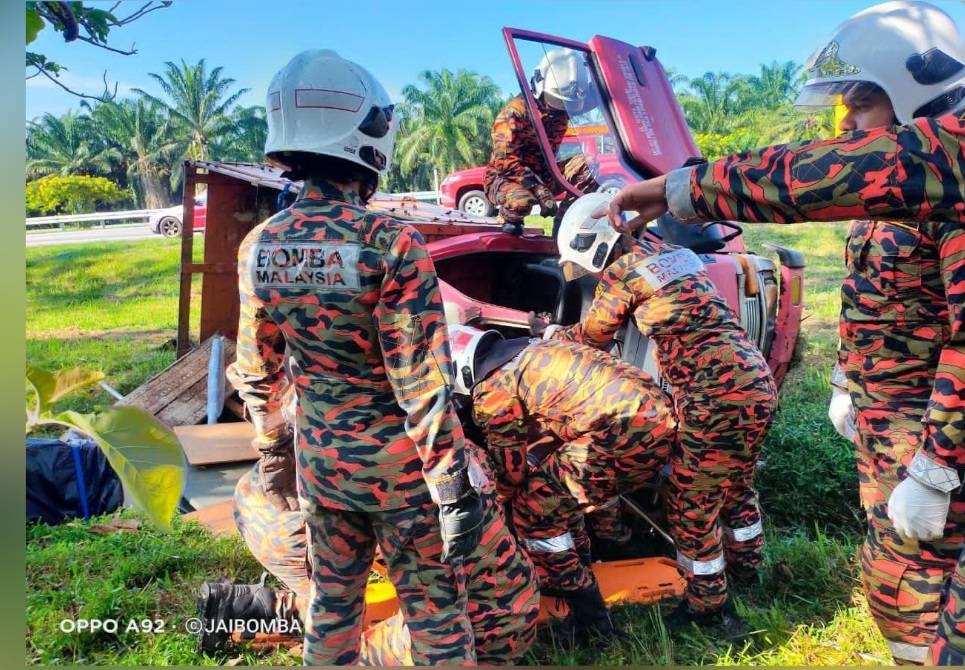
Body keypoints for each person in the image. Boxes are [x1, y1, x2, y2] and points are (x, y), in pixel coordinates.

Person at [601, 2, 965, 663]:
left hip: (933, 435)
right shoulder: (903, 197)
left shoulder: (963, 195)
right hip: (884, 426)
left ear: (914, 94)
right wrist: (845, 379)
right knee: (892, 574)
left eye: (860, 107)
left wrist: (937, 468)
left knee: (928, 589)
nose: (845, 125)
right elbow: (866, 291)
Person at [224, 49, 485, 666]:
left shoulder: (260, 245)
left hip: (320, 467)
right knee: (437, 617)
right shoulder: (389, 242)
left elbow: (257, 370)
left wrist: (274, 451)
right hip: (402, 475)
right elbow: (420, 380)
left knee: (332, 608)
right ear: (367, 135)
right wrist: (453, 487)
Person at [541, 191, 776, 632]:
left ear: (592, 244)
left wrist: (551, 334)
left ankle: (710, 610)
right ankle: (747, 569)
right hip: (754, 381)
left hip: (715, 395)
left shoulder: (624, 274)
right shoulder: (674, 254)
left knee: (691, 503)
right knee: (736, 483)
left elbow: (593, 337)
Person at [197, 443, 540, 666]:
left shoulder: (332, 410)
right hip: (492, 614)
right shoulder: (453, 460)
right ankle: (283, 619)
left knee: (343, 602)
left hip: (269, 503)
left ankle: (262, 609)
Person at [448, 325, 678, 642]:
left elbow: (510, 473)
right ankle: (579, 568)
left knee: (534, 508)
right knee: (556, 493)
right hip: (651, 416)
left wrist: (494, 506)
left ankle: (590, 620)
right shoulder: (529, 351)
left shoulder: (492, 391)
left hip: (627, 431)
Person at [484, 47, 600, 235]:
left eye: (567, 103)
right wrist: (538, 189)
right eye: (558, 100)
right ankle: (509, 220)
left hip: (547, 173)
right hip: (507, 178)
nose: (562, 108)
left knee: (588, 166)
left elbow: (602, 90)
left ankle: (565, 227)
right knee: (521, 202)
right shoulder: (515, 112)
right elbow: (504, 162)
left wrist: (631, 64)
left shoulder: (568, 103)